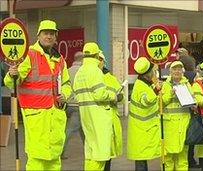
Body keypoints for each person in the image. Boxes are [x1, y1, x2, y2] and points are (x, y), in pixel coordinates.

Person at [4, 19, 72, 170]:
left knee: (54, 160)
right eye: (46, 33)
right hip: (36, 118)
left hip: (55, 117)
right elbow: (13, 81)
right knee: (37, 160)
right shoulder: (29, 54)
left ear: (56, 37)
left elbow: (67, 83)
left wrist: (65, 95)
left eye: (52, 34)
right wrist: (12, 74)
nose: (49, 36)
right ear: (38, 36)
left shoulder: (59, 59)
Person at [73, 42, 118, 170]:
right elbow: (100, 95)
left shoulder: (80, 72)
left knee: (91, 153)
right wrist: (113, 95)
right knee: (100, 154)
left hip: (86, 116)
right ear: (97, 55)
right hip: (99, 118)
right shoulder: (96, 71)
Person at [127, 57, 161, 171]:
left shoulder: (144, 83)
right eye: (152, 71)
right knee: (141, 160)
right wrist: (156, 91)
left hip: (141, 129)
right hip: (142, 129)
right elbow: (146, 101)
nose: (154, 73)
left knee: (141, 159)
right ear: (147, 73)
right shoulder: (140, 86)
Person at [161, 61, 192, 170]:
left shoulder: (187, 84)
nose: (177, 72)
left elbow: (193, 99)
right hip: (169, 126)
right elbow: (161, 103)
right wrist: (170, 93)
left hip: (184, 124)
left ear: (183, 71)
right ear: (170, 71)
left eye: (179, 69)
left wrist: (193, 103)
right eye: (174, 69)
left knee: (183, 157)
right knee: (168, 157)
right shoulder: (165, 85)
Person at [61, 51, 85, 159]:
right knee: (69, 130)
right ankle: (60, 152)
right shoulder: (83, 71)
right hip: (77, 105)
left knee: (83, 129)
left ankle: (88, 149)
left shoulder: (67, 71)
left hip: (67, 104)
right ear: (83, 60)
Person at [101, 66, 124, 171]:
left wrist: (116, 97)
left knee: (107, 152)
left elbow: (121, 97)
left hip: (110, 118)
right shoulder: (92, 76)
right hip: (97, 118)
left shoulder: (111, 78)